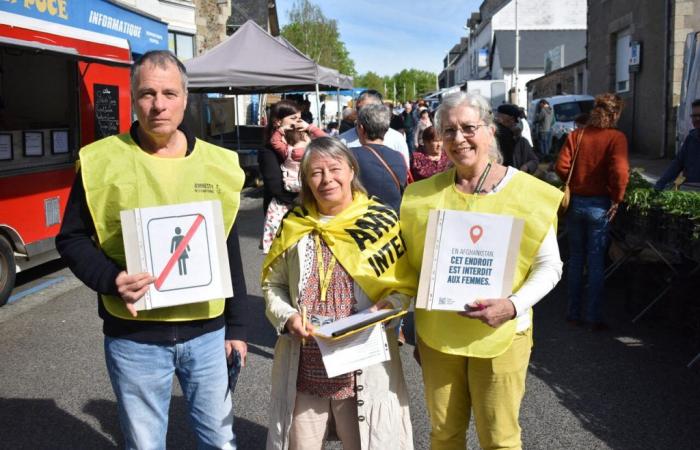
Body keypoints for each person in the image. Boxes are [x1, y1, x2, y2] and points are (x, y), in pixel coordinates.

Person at [55, 50, 249, 449]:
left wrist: (239, 327)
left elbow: (227, 246)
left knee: (220, 441)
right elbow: (71, 239)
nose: (158, 104)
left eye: (169, 93)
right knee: (145, 445)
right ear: (132, 96)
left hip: (207, 334)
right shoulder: (100, 161)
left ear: (185, 97)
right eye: (146, 94)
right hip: (135, 337)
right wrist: (111, 279)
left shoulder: (220, 164)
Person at [401, 92, 563, 449]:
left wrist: (513, 305)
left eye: (468, 128)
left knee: (500, 439)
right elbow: (409, 267)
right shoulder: (420, 196)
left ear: (489, 131)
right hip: (439, 337)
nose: (459, 139)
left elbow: (550, 265)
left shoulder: (526, 193)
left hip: (502, 335)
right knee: (444, 435)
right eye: (449, 131)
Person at [262, 137, 415, 450]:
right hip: (306, 359)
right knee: (300, 444)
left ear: (350, 171)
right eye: (316, 172)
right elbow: (273, 284)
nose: (326, 178)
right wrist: (288, 316)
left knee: (366, 442)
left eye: (334, 169)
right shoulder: (294, 222)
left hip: (361, 361)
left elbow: (403, 285)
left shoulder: (379, 220)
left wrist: (389, 307)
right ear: (305, 179)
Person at [555, 93, 629, 330]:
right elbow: (620, 171)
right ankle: (592, 316)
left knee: (576, 259)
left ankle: (572, 312)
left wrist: (573, 181)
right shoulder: (616, 138)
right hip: (600, 204)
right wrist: (617, 198)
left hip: (575, 202)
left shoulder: (578, 135)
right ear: (615, 114)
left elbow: (560, 166)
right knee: (596, 261)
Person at [261, 100, 326, 253]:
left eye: (299, 118)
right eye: (293, 118)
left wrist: (309, 128)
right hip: (288, 211)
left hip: (307, 207)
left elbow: (326, 141)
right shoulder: (270, 150)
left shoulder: (306, 138)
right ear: (278, 122)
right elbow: (275, 187)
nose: (297, 122)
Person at [350, 103, 408, 213]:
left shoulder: (350, 156)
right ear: (386, 129)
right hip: (394, 221)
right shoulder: (399, 156)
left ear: (361, 128)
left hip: (364, 221)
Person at [341, 90, 410, 167]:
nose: (360, 113)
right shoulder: (342, 141)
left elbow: (405, 171)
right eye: (358, 109)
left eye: (366, 109)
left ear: (380, 110)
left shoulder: (396, 138)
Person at [654, 98, 700, 189]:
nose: (697, 119)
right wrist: (659, 185)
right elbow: (677, 164)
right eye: (694, 116)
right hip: (690, 191)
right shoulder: (691, 139)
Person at [495, 104, 539, 174]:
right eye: (513, 120)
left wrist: (527, 166)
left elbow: (534, 160)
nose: (514, 123)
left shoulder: (520, 140)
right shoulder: (497, 135)